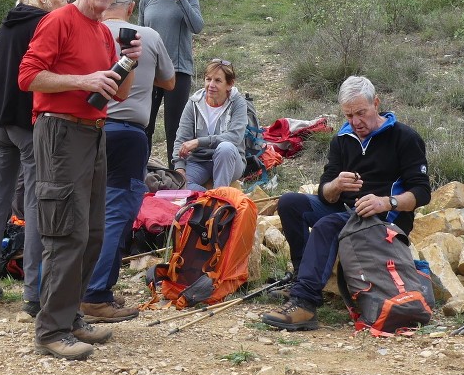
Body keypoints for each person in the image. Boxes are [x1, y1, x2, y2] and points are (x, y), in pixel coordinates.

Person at [18, 0, 142, 361]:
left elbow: (119, 95)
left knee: (91, 233)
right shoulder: (57, 21)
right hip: (59, 131)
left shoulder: (105, 34)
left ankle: (70, 319)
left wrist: (131, 63)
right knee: (64, 232)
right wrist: (82, 80)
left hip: (93, 132)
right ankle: (50, 330)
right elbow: (28, 76)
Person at [263, 76, 431, 332]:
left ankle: (305, 303)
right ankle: (301, 280)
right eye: (349, 115)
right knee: (290, 203)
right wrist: (336, 186)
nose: (355, 122)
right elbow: (325, 193)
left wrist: (386, 202)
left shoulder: (404, 137)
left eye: (361, 113)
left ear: (376, 103)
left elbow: (422, 191)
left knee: (329, 225)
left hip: (382, 219)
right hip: (345, 210)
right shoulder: (343, 138)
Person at [0, 0, 73, 316]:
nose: (66, 6)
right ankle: (33, 292)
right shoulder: (45, 24)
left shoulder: (8, 23)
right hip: (28, 123)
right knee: (37, 203)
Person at [80, 0, 175, 323]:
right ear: (131, 7)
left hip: (84, 129)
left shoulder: (86, 29)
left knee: (81, 211)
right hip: (129, 134)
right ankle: (95, 295)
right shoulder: (145, 35)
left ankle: (68, 290)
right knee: (117, 213)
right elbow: (170, 81)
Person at [139, 0, 204, 167]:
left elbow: (197, 26)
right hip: (149, 72)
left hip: (178, 70)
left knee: (174, 127)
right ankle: (141, 172)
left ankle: (175, 174)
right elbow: (141, 35)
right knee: (143, 124)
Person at [172, 59, 248, 191]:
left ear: (229, 84)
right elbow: (181, 139)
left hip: (229, 160)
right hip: (199, 161)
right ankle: (213, 198)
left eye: (218, 81)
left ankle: (220, 198)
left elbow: (235, 137)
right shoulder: (194, 103)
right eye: (208, 79)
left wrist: (198, 142)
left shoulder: (238, 103)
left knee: (225, 148)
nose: (211, 85)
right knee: (180, 185)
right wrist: (179, 167)